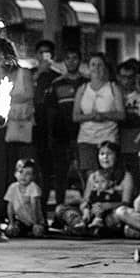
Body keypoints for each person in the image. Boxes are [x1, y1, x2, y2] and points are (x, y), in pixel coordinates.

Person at [0, 39, 37, 218]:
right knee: (1, 169)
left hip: (21, 126)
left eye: (0, 58)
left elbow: (29, 95)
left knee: (20, 167)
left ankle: (23, 212)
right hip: (1, 127)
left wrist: (8, 101)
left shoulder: (24, 73)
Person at [54, 140, 133, 236]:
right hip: (92, 212)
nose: (105, 157)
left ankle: (90, 229)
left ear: (116, 156)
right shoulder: (93, 176)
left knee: (117, 216)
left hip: (110, 213)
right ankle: (80, 225)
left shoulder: (126, 176)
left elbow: (126, 203)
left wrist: (107, 206)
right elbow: (85, 200)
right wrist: (86, 210)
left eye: (109, 154)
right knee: (61, 209)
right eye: (102, 154)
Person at [72, 53, 125, 184]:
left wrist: (104, 115)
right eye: (93, 65)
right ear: (88, 68)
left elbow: (121, 114)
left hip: (108, 137)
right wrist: (91, 116)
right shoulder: (82, 89)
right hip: (86, 139)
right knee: (90, 177)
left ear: (105, 67)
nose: (96, 68)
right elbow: (75, 116)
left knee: (108, 175)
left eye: (100, 65)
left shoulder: (113, 88)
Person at [45, 48, 87, 206]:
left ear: (80, 60)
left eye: (74, 57)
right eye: (68, 58)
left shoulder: (87, 83)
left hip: (83, 134)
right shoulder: (57, 84)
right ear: (64, 62)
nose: (71, 61)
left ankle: (87, 208)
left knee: (84, 173)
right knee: (60, 175)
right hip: (61, 136)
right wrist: (51, 134)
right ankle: (59, 209)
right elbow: (51, 111)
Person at [31, 39, 59, 194]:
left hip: (50, 125)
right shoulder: (29, 74)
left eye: (47, 53)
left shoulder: (57, 77)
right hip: (32, 123)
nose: (43, 56)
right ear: (36, 55)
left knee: (48, 164)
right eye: (41, 53)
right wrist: (38, 73)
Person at [115, 58, 140, 184]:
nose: (126, 81)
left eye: (130, 77)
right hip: (118, 137)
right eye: (123, 77)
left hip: (136, 137)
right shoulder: (114, 93)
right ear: (118, 77)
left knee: (137, 173)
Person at [3, 158, 46, 238]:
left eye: (28, 174)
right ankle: (25, 232)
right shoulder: (12, 187)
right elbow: (10, 206)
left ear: (33, 176)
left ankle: (33, 230)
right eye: (21, 172)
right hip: (21, 221)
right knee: (10, 231)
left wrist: (36, 223)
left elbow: (35, 206)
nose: (23, 176)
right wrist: (11, 223)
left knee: (38, 231)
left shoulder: (33, 187)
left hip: (36, 220)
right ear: (15, 174)